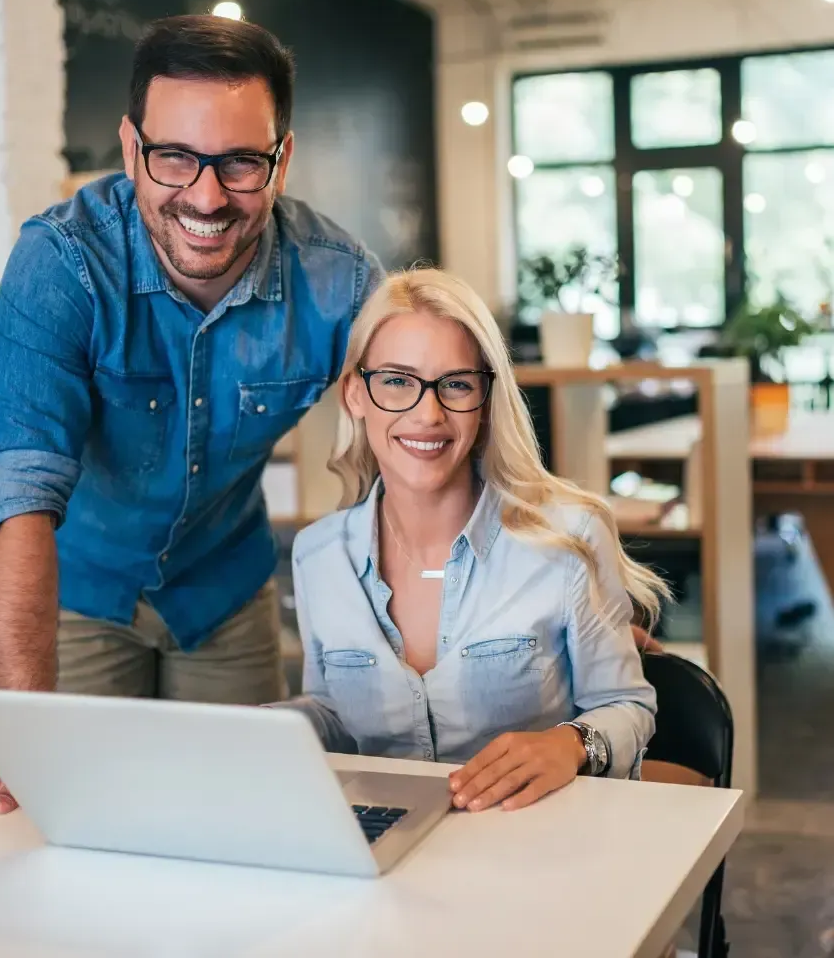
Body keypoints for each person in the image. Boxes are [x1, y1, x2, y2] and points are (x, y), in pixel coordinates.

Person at [0, 15, 384, 817]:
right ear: (131, 148)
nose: (206, 197)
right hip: (78, 595)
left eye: (241, 162)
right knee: (70, 822)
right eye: (174, 157)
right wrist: (22, 735)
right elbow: (16, 494)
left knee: (245, 823)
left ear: (282, 159)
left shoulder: (338, 281)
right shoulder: (62, 263)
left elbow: (435, 433)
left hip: (226, 592)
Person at [278, 268, 669, 812]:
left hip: (530, 837)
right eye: (397, 381)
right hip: (387, 839)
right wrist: (267, 727)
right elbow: (336, 718)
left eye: (456, 384)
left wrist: (569, 744)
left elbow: (628, 705)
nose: (428, 413)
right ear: (355, 395)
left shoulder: (568, 539)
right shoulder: (318, 556)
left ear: (485, 400)